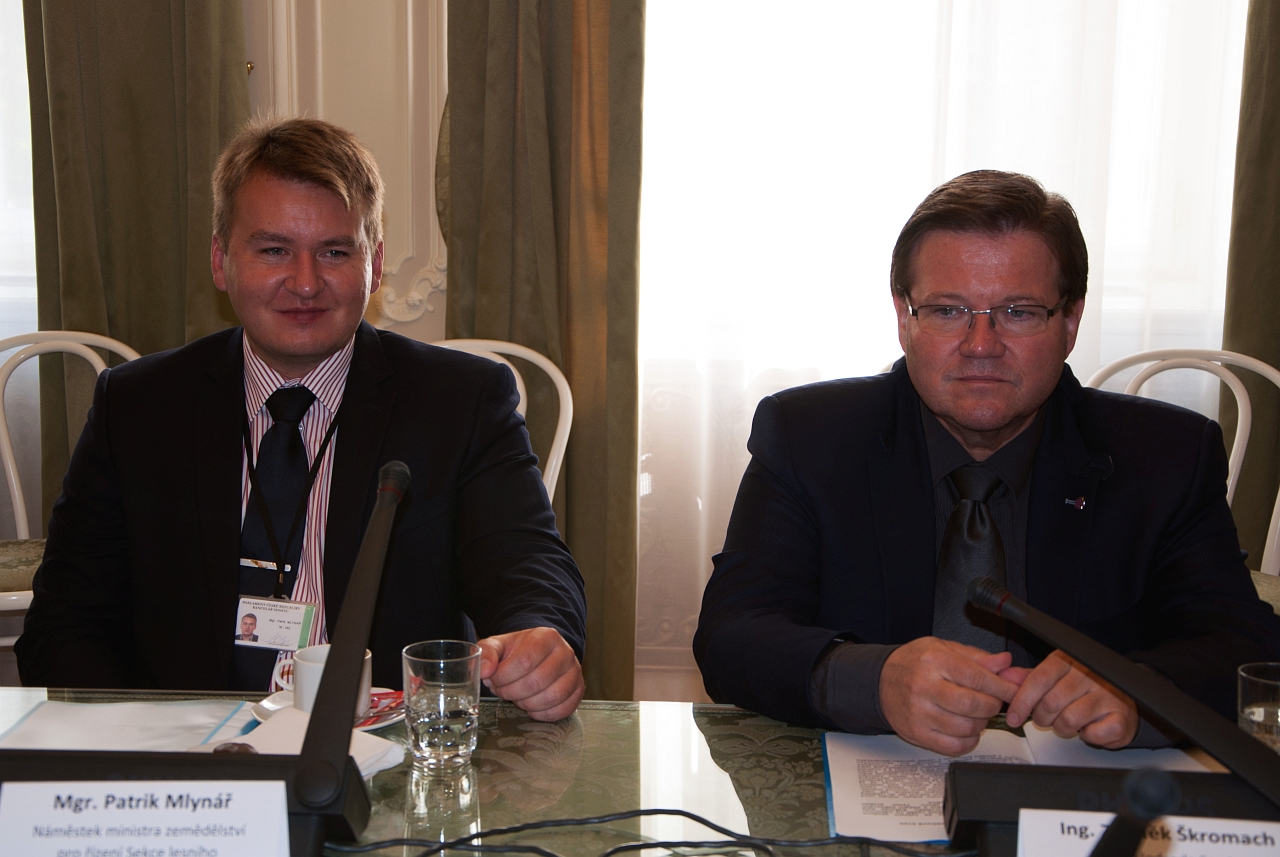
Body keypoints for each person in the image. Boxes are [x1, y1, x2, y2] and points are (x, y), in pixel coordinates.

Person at [18, 117, 587, 722]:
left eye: (335, 252)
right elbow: (65, 622)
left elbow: (524, 559)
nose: (306, 283)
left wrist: (539, 635)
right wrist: (140, 743)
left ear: (375, 264)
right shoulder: (138, 406)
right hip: (190, 747)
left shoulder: (459, 400)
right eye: (273, 250)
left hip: (381, 744)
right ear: (220, 260)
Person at [694, 170, 1280, 754]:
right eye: (948, 311)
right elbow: (732, 634)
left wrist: (1138, 692)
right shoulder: (809, 437)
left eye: (1019, 312)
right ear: (904, 318)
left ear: (1070, 322)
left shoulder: (1166, 456)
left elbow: (1245, 648)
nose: (981, 345)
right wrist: (874, 680)